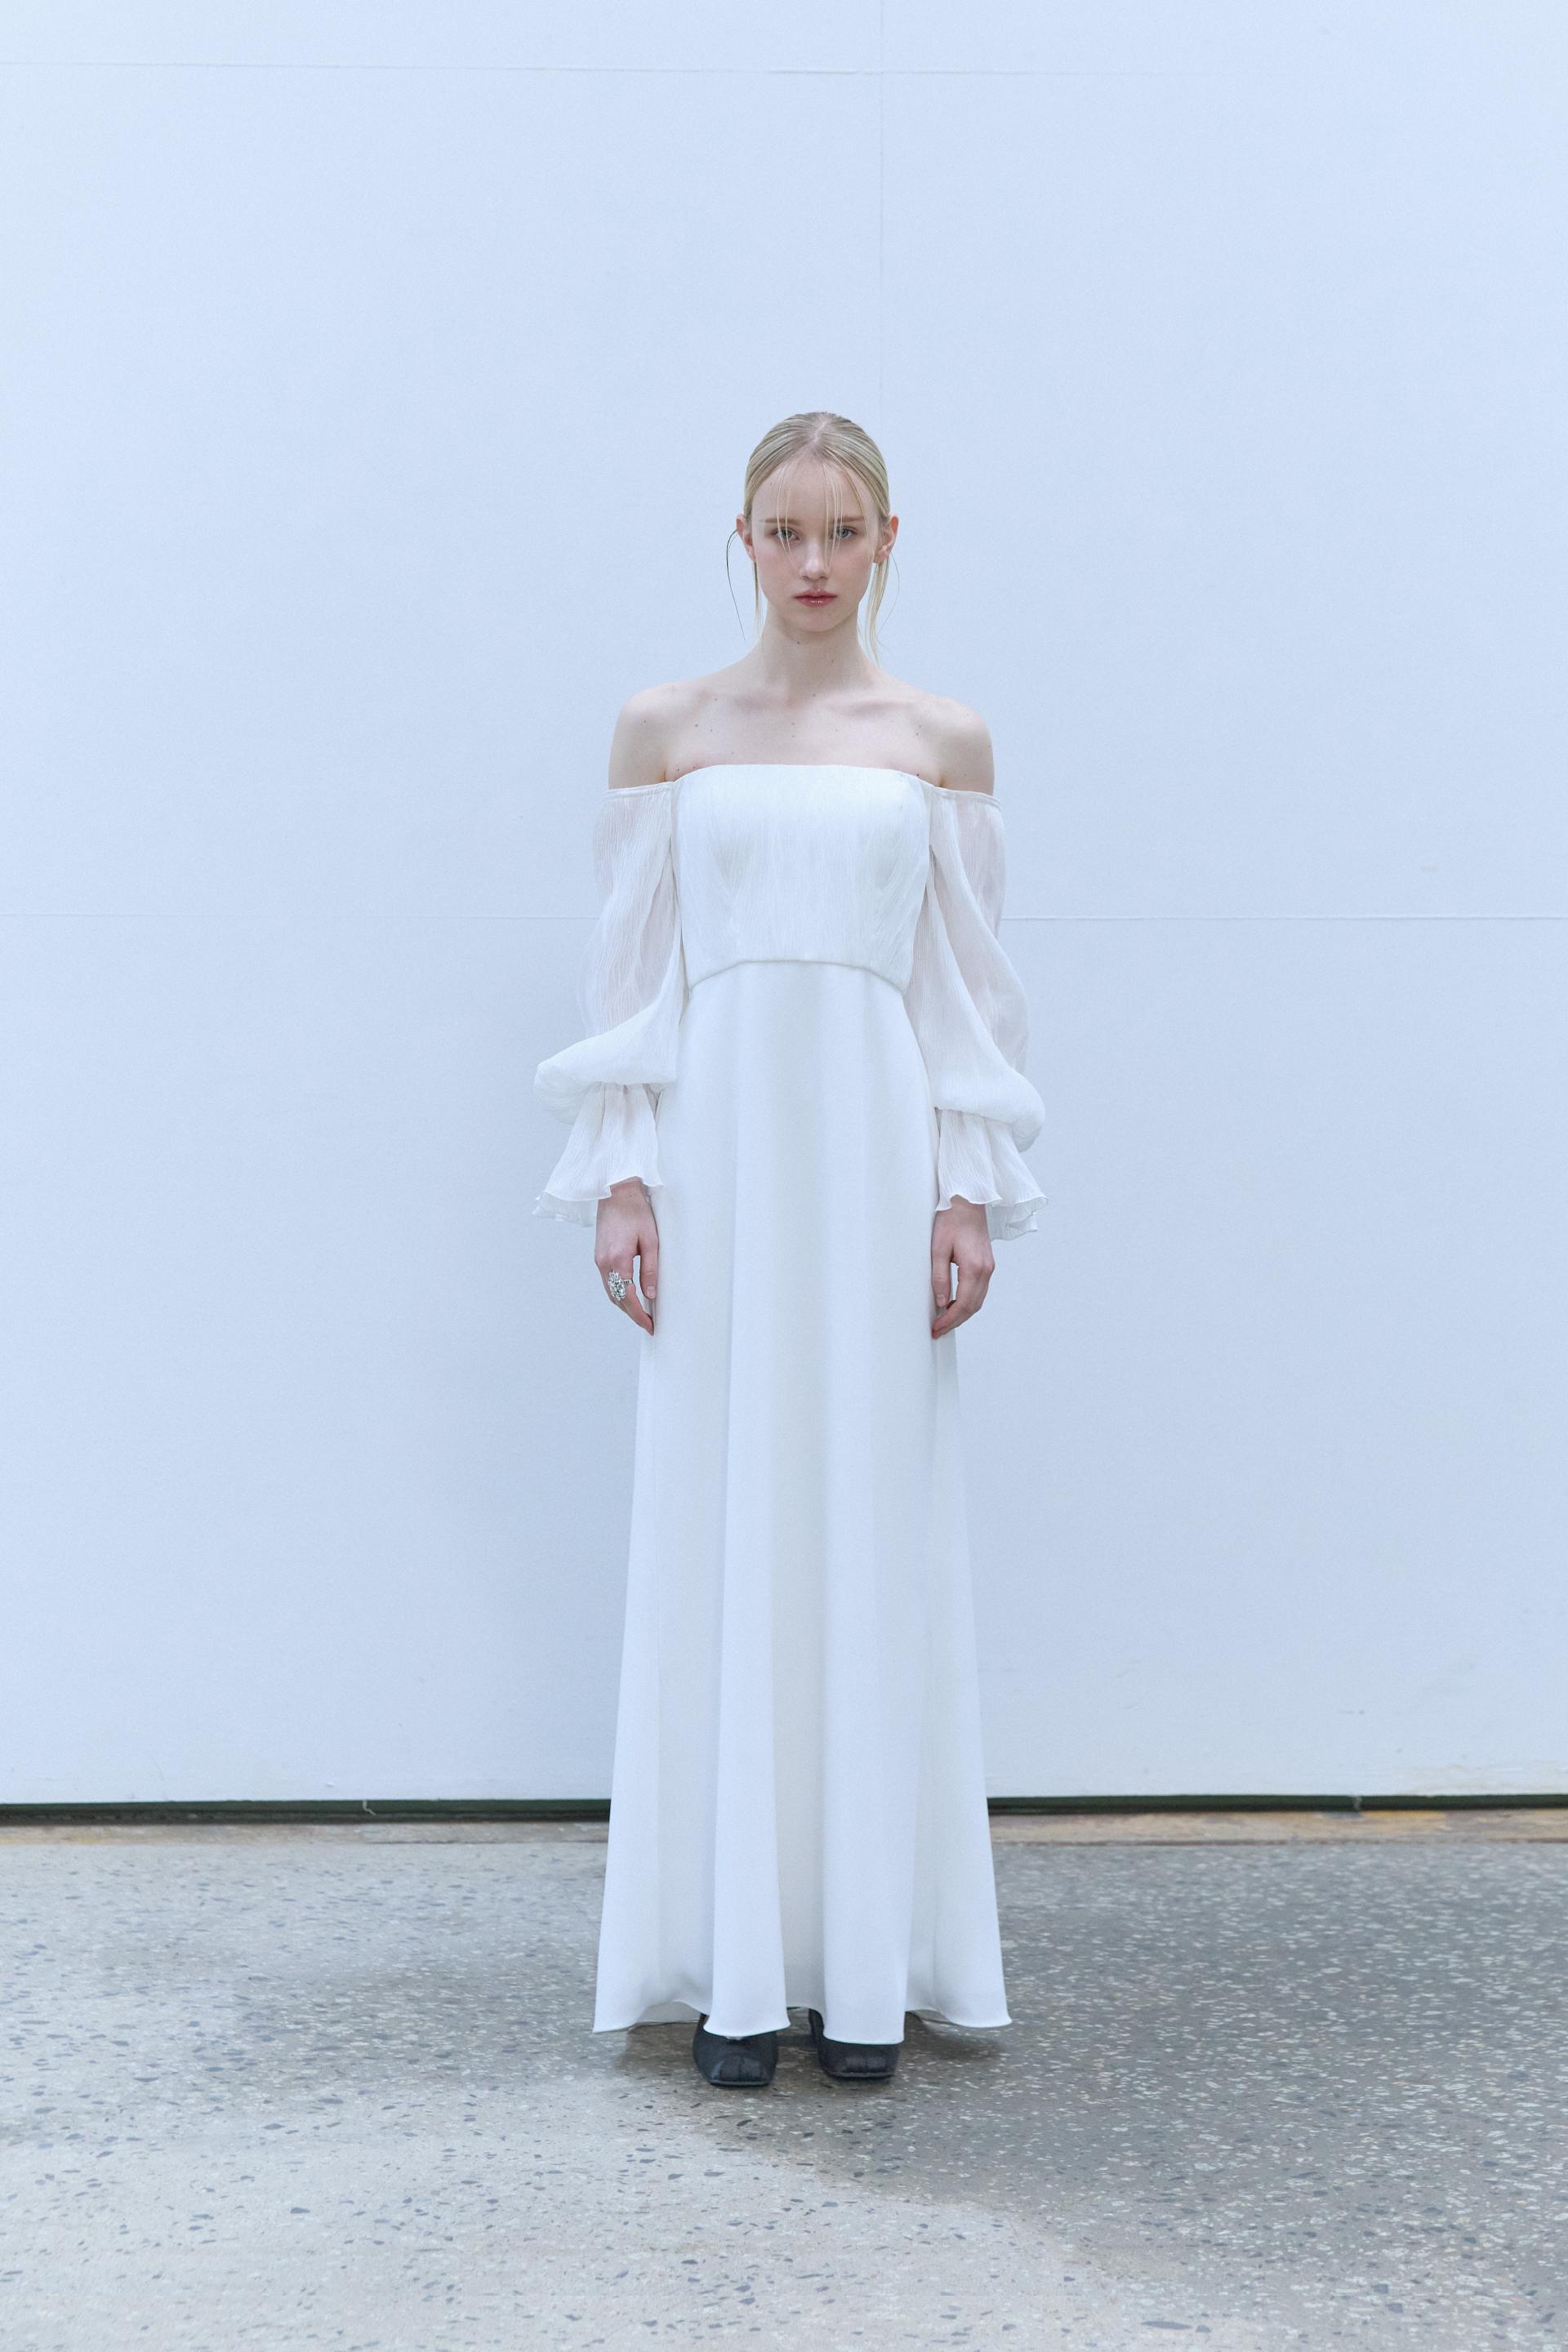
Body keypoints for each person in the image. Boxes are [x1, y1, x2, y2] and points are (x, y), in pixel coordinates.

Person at [534, 411, 1045, 2090]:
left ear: (889, 540)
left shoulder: (941, 738)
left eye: (842, 532)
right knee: (721, 1518)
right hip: (719, 1158)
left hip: (878, 1154)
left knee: (870, 1526)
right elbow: (629, 979)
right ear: (741, 537)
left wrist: (963, 1191)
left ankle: (861, 1970)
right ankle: (733, 1973)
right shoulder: (666, 728)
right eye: (783, 531)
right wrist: (624, 1178)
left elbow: (964, 995)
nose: (812, 563)